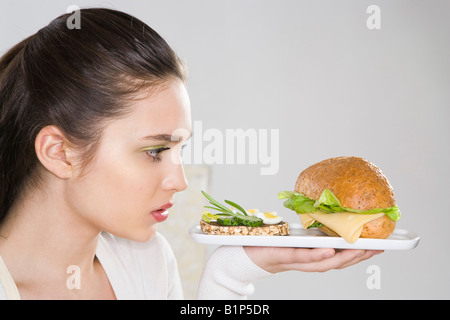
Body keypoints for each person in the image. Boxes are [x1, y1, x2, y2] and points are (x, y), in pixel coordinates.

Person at [0, 8, 381, 300]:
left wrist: (230, 272)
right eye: (154, 151)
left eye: (180, 149)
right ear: (59, 152)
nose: (180, 182)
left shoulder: (146, 262)